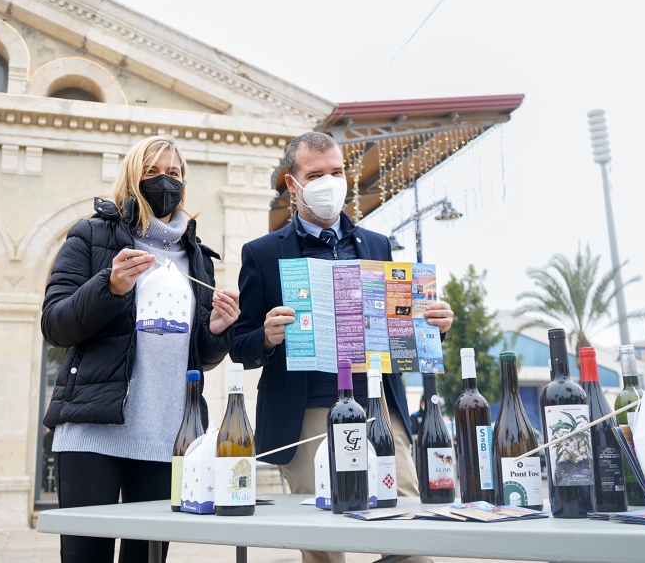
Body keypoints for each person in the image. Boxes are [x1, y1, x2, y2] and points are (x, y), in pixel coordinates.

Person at [231, 132, 454, 563]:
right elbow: (241, 346)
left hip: (377, 408)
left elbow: (398, 329)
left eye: (336, 171)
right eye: (316, 174)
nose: (329, 182)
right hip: (306, 414)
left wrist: (433, 328)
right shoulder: (261, 253)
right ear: (291, 183)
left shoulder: (376, 245)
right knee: (322, 544)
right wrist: (266, 336)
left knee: (408, 531)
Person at [41, 135, 240, 563]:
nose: (164, 180)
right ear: (132, 177)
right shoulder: (92, 235)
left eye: (174, 173)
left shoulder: (197, 257)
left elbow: (198, 357)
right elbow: (55, 325)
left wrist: (217, 331)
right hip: (92, 432)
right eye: (152, 171)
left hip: (168, 437)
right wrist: (108, 287)